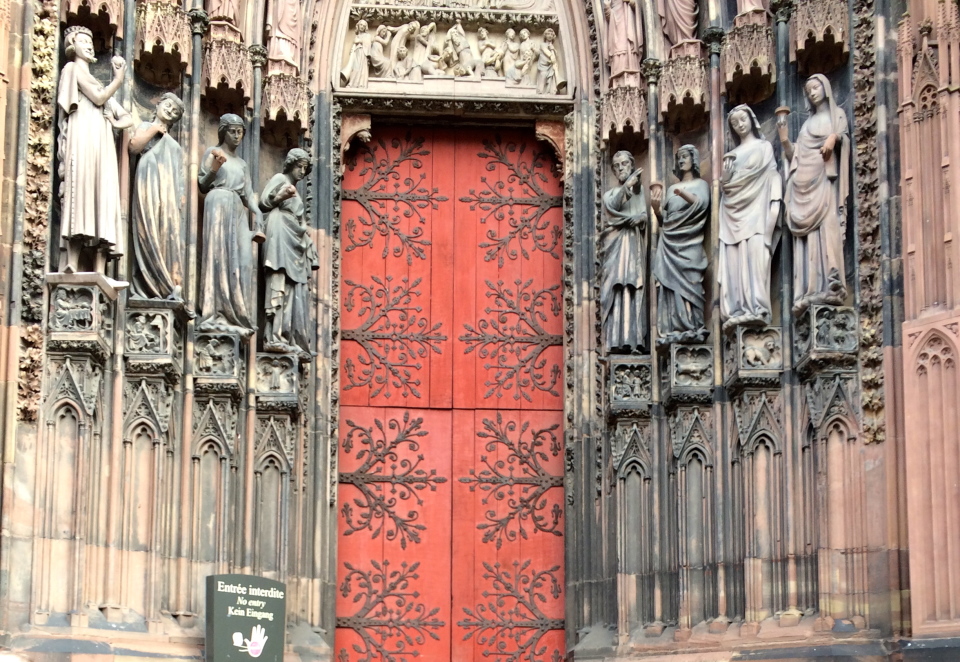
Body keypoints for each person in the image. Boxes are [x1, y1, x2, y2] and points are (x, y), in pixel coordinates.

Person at [57, 25, 133, 275]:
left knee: (102, 196)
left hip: (101, 141)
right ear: (72, 45)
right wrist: (118, 80)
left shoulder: (96, 82)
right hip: (83, 137)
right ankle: (71, 260)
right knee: (80, 192)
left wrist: (114, 122)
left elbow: (128, 118)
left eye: (91, 40)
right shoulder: (72, 69)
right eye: (83, 41)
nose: (89, 45)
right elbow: (99, 98)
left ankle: (99, 267)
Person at [779, 74, 849, 314]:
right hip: (803, 184)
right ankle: (809, 288)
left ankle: (832, 283)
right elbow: (796, 156)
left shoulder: (836, 114)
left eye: (815, 87)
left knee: (828, 227)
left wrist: (834, 138)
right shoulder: (807, 124)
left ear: (826, 88)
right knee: (809, 240)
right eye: (808, 90)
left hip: (825, 180)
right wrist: (785, 140)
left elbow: (842, 138)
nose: (812, 92)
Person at [197, 114, 263, 335]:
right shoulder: (212, 153)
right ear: (223, 132)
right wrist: (215, 168)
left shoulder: (242, 164)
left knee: (244, 261)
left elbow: (249, 196)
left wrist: (257, 212)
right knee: (218, 256)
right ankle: (214, 312)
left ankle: (238, 314)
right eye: (232, 131)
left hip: (237, 209)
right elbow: (202, 185)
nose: (237, 136)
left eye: (240, 131)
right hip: (217, 202)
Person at [719, 104, 782, 330]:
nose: (740, 125)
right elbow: (726, 187)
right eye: (735, 124)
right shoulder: (732, 155)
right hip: (732, 213)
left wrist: (773, 210)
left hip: (757, 208)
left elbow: (771, 174)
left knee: (756, 256)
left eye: (742, 119)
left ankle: (757, 306)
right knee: (735, 261)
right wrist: (725, 179)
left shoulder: (764, 147)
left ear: (751, 118)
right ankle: (738, 307)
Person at [260, 148, 320, 354]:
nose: (302, 171)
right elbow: (263, 203)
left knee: (293, 288)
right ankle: (273, 335)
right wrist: (280, 195)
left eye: (305, 168)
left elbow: (302, 223)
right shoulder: (279, 178)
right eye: (299, 166)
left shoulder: (298, 196)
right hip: (279, 232)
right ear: (290, 164)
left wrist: (309, 243)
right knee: (278, 280)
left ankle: (288, 336)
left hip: (294, 241)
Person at [129, 93, 186, 301]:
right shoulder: (146, 127)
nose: (170, 111)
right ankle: (147, 283)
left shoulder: (175, 147)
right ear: (159, 103)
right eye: (169, 106)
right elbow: (134, 147)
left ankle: (168, 283)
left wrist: (178, 202)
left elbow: (180, 184)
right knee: (147, 228)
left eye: (175, 112)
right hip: (147, 184)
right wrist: (154, 129)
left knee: (166, 236)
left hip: (167, 195)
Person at [651, 145, 709, 344]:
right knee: (671, 286)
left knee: (692, 281)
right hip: (670, 242)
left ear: (693, 159)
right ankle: (675, 326)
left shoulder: (701, 184)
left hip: (691, 241)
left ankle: (693, 325)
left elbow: (701, 205)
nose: (681, 160)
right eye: (679, 157)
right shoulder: (669, 190)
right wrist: (657, 208)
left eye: (685, 156)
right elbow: (664, 220)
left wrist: (682, 193)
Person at [602, 151, 648, 352]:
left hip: (632, 242)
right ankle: (614, 339)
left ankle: (634, 338)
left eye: (624, 164)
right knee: (617, 286)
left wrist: (642, 218)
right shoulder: (610, 194)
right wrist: (627, 187)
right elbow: (612, 207)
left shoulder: (639, 192)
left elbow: (645, 214)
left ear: (631, 166)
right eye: (617, 165)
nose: (621, 168)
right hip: (615, 244)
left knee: (631, 285)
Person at [603, 0, 642, 88]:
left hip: (628, 27)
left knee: (627, 49)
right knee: (618, 51)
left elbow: (636, 5)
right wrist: (607, 7)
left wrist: (630, 1)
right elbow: (607, 11)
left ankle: (631, 77)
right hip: (616, 29)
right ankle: (619, 79)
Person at [341, 20, 372, 88]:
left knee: (361, 69)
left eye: (364, 26)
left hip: (362, 53)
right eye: (361, 25)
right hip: (356, 53)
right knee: (354, 68)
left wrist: (360, 41)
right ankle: (352, 83)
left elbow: (368, 43)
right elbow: (353, 46)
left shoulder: (367, 35)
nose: (362, 27)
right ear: (358, 25)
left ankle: (360, 84)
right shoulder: (356, 36)